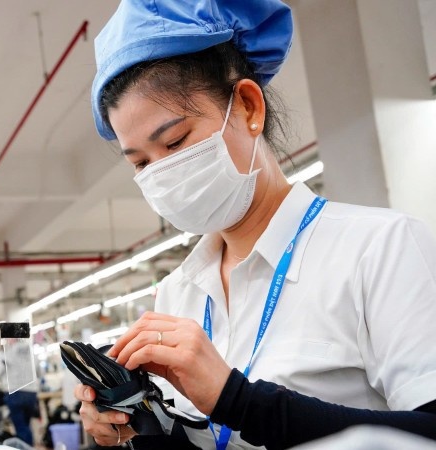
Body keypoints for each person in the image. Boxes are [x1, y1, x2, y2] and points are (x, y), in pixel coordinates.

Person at [74, 1, 436, 449]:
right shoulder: (177, 294)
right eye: (141, 163)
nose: (162, 172)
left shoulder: (381, 249)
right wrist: (141, 426)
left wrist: (237, 400)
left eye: (175, 141)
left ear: (248, 106)